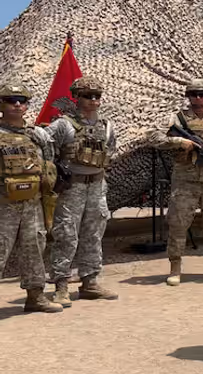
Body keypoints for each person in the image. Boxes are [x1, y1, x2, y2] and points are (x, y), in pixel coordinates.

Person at [146, 79, 203, 286]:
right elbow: (152, 136)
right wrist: (178, 141)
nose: (198, 98)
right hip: (185, 180)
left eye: (202, 94)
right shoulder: (176, 119)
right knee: (178, 223)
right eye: (193, 94)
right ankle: (175, 268)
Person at [47, 76, 119, 304]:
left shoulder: (106, 126)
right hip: (72, 187)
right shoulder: (63, 125)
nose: (94, 100)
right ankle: (61, 284)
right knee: (66, 234)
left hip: (97, 185)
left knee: (94, 234)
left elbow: (110, 151)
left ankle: (90, 281)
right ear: (76, 97)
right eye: (88, 96)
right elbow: (45, 149)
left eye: (97, 96)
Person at [0, 83, 61, 313]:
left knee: (35, 247)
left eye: (22, 101)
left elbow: (48, 163)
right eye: (11, 100)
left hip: (32, 203)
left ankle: (36, 296)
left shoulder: (37, 135)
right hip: (3, 204)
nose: (17, 104)